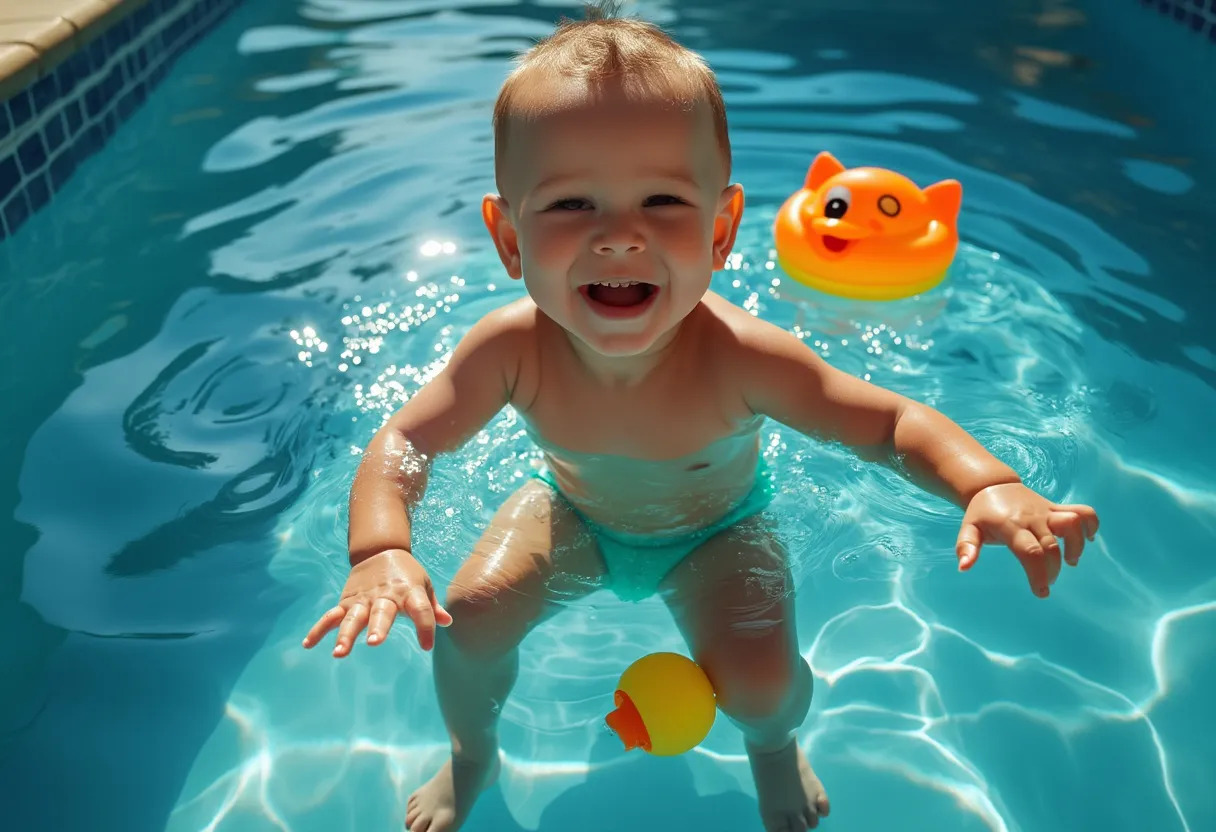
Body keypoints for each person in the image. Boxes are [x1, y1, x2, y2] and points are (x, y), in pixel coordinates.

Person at [301, 5, 1100, 831]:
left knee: (760, 690)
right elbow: (406, 441)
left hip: (719, 531)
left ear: (721, 231)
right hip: (569, 511)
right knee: (465, 624)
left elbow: (889, 424)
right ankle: (473, 754)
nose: (619, 236)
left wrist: (989, 484)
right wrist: (384, 548)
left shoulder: (744, 358)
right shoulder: (510, 350)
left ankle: (774, 749)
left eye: (661, 200)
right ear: (508, 240)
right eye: (573, 204)